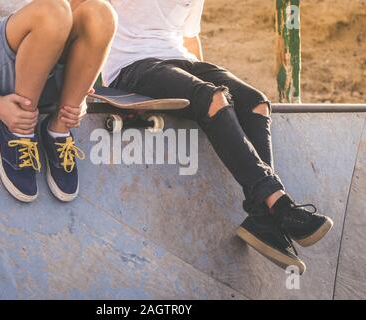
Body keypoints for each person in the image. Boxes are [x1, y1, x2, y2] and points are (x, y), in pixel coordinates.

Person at [103, 0, 333, 273]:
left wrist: (198, 80)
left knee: (255, 102)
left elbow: (189, 37)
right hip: (131, 66)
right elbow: (83, 13)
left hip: (179, 61)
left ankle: (264, 217)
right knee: (212, 98)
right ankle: (278, 205)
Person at [0, 0, 116, 202]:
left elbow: (78, 17)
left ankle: (59, 129)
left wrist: (79, 90)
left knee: (100, 12)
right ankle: (19, 132)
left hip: (43, 71)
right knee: (52, 10)